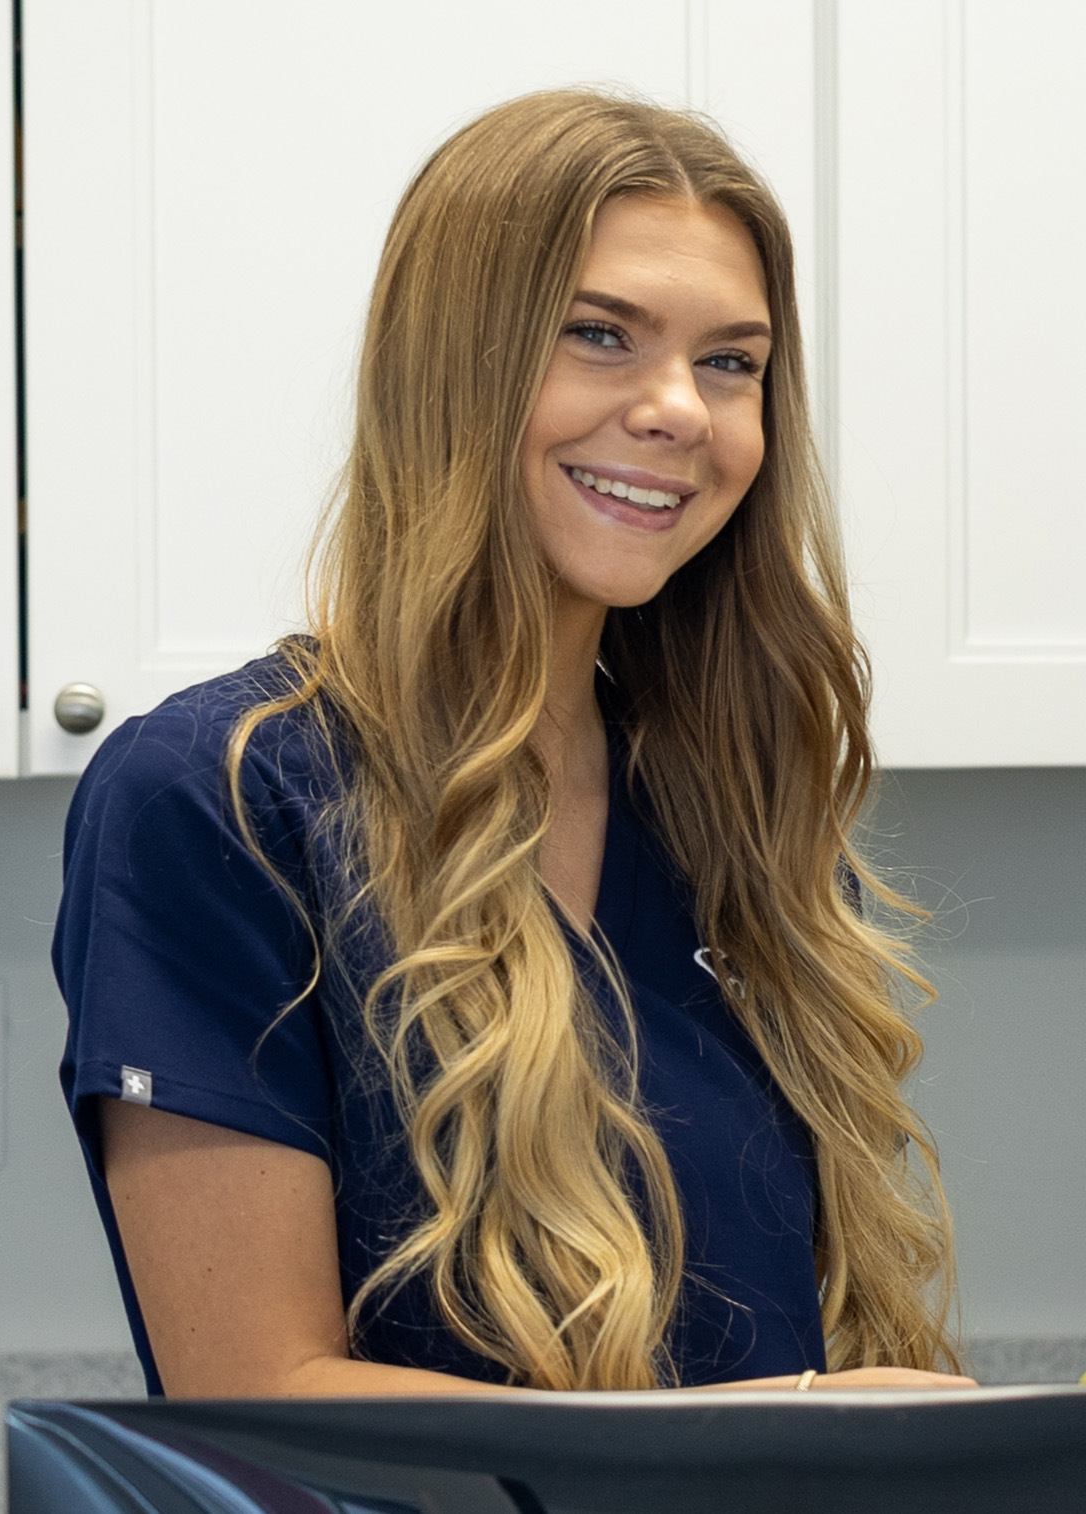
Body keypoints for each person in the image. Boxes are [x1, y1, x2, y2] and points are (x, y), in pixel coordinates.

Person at [53, 90, 963, 1397]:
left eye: (731, 362)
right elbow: (255, 1391)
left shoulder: (731, 810)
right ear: (449, 366)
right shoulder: (228, 798)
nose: (680, 411)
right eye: (599, 335)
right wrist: (797, 1426)